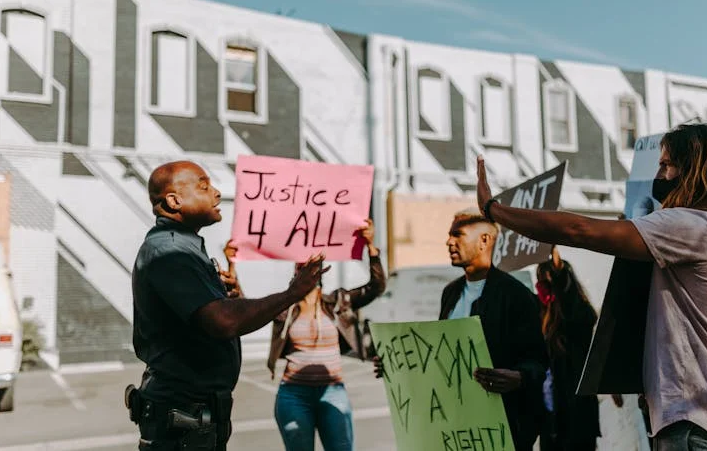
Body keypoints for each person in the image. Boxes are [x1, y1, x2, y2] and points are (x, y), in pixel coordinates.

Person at [475, 123, 707, 449]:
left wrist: (494, 210)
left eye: (667, 165)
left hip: (701, 431)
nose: (658, 176)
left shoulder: (694, 225)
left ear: (695, 169)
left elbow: (578, 230)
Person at [126, 160, 328, 451]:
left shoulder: (181, 248)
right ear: (174, 201)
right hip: (180, 423)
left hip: (192, 421)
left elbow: (215, 318)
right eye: (204, 187)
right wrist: (292, 293)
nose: (217, 193)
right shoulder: (169, 252)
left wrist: (228, 297)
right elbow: (222, 322)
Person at [375, 208, 549, 451]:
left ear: (484, 240)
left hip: (502, 428)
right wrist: (396, 365)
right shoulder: (451, 293)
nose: (449, 242)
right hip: (457, 428)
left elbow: (539, 361)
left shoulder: (515, 295)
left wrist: (518, 377)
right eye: (449, 235)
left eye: (458, 235)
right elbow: (442, 356)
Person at [268, 218, 386, 451]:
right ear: (295, 273)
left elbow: (377, 287)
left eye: (311, 267)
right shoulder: (285, 307)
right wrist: (232, 268)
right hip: (293, 395)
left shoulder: (338, 302)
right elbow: (248, 309)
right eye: (301, 267)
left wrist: (371, 247)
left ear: (321, 271)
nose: (305, 271)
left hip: (333, 392)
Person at [536, 246, 600, 451]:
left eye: (548, 282)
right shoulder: (539, 318)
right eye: (540, 282)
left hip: (576, 416)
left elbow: (570, 305)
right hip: (550, 417)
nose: (544, 289)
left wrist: (559, 272)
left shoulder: (579, 315)